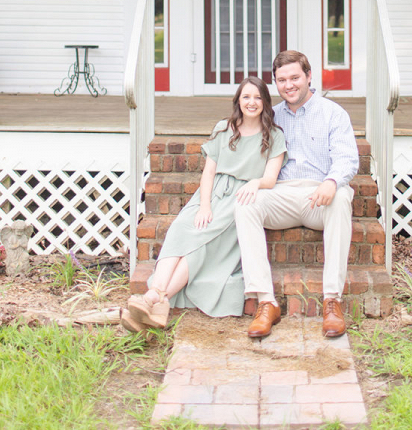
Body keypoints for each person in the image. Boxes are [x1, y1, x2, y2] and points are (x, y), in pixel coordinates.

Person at [121, 76, 287, 332]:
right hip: (211, 195)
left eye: (257, 97)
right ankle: (156, 298)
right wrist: (204, 206)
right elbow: (209, 173)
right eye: (246, 97)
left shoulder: (273, 135)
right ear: (238, 101)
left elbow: (270, 178)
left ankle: (154, 299)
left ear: (265, 102)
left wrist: (254, 184)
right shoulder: (224, 128)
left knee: (200, 246)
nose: (251, 103)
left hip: (241, 198)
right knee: (180, 231)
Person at [234, 50, 359, 340]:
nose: (288, 85)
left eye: (294, 78)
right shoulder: (271, 115)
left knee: (342, 197)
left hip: (320, 196)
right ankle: (266, 302)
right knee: (246, 204)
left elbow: (347, 159)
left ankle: (332, 301)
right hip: (282, 194)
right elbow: (241, 143)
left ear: (309, 76)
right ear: (275, 83)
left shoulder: (333, 113)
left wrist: (331, 182)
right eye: (281, 80)